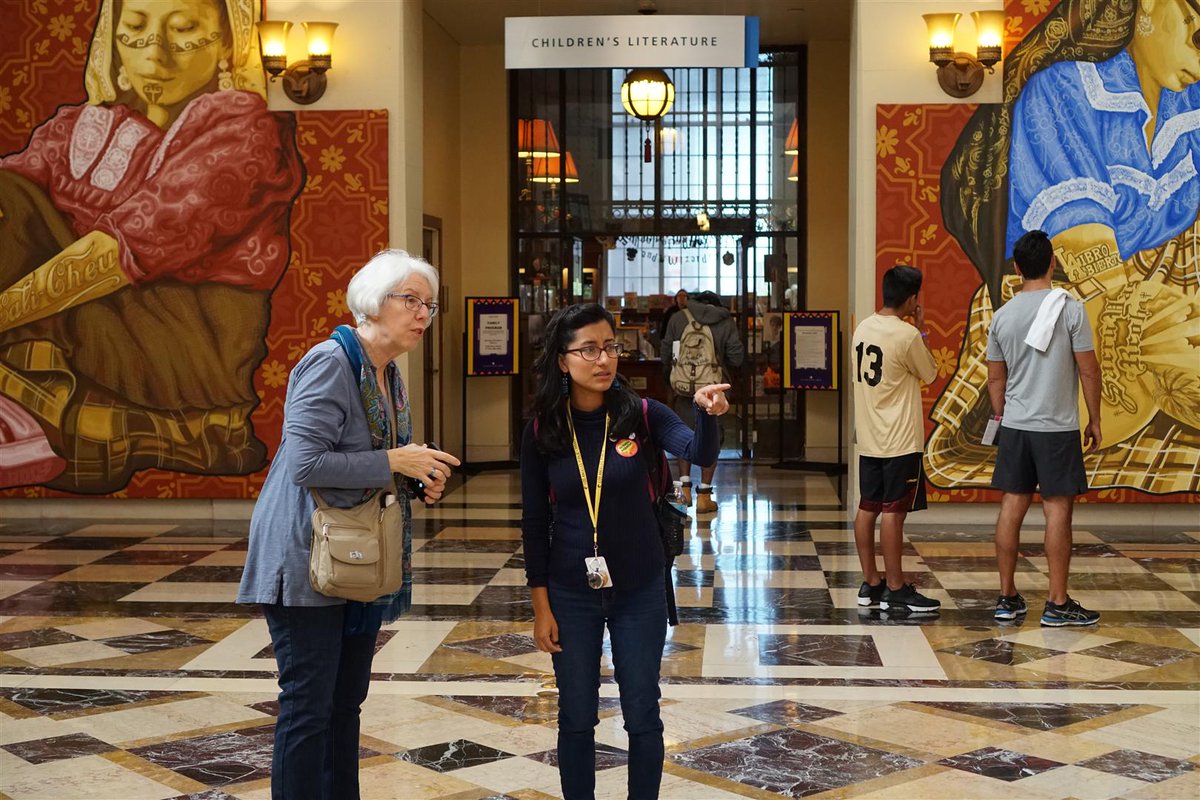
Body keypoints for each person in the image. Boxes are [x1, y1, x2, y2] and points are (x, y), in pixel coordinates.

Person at [0, 0, 303, 492]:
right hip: (99, 317)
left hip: (183, 335)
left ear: (228, 40)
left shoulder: (244, 128)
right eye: (135, 28)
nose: (154, 53)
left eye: (184, 29)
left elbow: (129, 249)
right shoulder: (82, 124)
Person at [929, 0, 1200, 495]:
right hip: (1098, 298)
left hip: (1159, 299)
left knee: (1025, 500)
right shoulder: (1064, 89)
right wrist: (1135, 320)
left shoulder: (1189, 102)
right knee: (1056, 502)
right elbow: (1084, 242)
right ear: (1147, 12)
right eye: (1193, 31)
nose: (1198, 57)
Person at [237, 250, 461, 799]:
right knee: (309, 707)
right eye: (410, 300)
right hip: (307, 556)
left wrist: (417, 476)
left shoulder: (388, 373)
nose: (422, 314)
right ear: (371, 301)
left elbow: (377, 456)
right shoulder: (329, 363)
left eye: (428, 305)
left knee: (345, 703)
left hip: (358, 556)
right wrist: (394, 462)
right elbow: (304, 464)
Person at [521, 303, 728, 800]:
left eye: (610, 347)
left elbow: (697, 452)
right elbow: (532, 522)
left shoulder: (644, 414)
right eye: (588, 349)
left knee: (641, 712)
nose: (603, 359)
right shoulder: (542, 429)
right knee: (575, 715)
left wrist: (707, 412)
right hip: (571, 593)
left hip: (639, 590)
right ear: (562, 361)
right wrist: (540, 607)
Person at [987, 230, 1103, 627]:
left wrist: (1003, 418)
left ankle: (1006, 597)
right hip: (1057, 428)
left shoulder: (1002, 316)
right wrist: (1095, 418)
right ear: (1052, 263)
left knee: (1011, 507)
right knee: (1058, 512)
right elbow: (1088, 369)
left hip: (1017, 426)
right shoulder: (1069, 309)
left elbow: (995, 380)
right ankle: (1056, 603)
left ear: (1017, 268)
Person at [851, 266, 941, 614]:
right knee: (894, 513)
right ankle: (895, 586)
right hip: (900, 440)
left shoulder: (863, 328)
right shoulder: (906, 336)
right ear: (912, 299)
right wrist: (920, 329)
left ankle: (870, 582)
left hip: (870, 438)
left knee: (867, 507)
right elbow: (930, 373)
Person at [660, 289, 744, 513]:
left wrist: (672, 377)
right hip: (713, 391)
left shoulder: (678, 318)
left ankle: (685, 490)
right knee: (711, 438)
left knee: (682, 434)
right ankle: (705, 496)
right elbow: (737, 357)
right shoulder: (725, 322)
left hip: (683, 390)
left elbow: (666, 351)